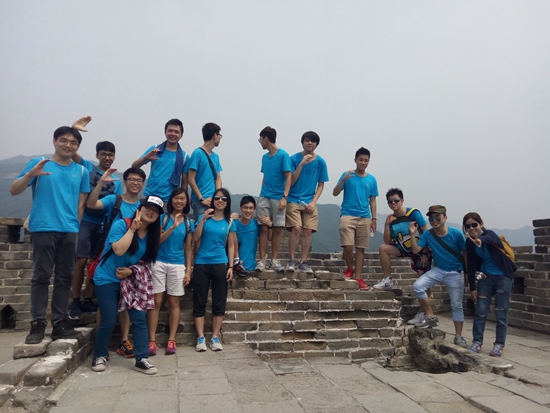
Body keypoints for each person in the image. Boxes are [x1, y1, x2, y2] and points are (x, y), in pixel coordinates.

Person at [10, 126, 90, 344]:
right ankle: (37, 324)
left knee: (65, 277)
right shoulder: (40, 163)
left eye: (73, 142)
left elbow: (81, 202)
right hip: (43, 227)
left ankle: (60, 323)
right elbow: (14, 190)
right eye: (63, 140)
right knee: (41, 276)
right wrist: (30, 175)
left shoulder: (81, 171)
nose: (68, 145)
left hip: (69, 230)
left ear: (78, 146)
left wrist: (75, 224)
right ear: (54, 141)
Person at [91, 196, 163, 374]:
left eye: (156, 211)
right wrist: (132, 229)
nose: (151, 212)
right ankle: (99, 355)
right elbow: (118, 250)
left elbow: (146, 262)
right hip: (107, 277)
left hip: (130, 280)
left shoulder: (153, 235)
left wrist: (131, 271)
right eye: (148, 207)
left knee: (139, 318)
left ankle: (142, 358)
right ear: (140, 208)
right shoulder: (121, 225)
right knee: (109, 319)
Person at [86, 167, 146, 358]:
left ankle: (124, 341)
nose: (135, 183)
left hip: (128, 265)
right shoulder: (115, 200)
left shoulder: (143, 207)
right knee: (106, 311)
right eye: (132, 179)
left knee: (127, 308)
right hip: (110, 258)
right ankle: (100, 346)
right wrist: (101, 183)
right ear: (125, 181)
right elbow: (91, 203)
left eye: (139, 180)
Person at [69, 140, 122, 321]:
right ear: (97, 155)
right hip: (85, 221)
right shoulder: (88, 167)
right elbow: (73, 154)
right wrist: (74, 130)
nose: (107, 157)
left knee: (95, 261)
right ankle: (76, 301)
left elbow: (116, 204)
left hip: (103, 224)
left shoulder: (117, 181)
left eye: (110, 154)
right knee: (81, 260)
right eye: (103, 154)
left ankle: (88, 299)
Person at [409, 205, 468, 348]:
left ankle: (458, 336)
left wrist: (467, 273)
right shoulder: (428, 235)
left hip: (456, 272)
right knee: (418, 286)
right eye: (431, 218)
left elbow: (466, 254)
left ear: (445, 218)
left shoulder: (456, 234)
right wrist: (412, 234)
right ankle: (430, 316)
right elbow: (416, 250)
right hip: (439, 269)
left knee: (456, 305)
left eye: (437, 217)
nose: (434, 220)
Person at [147, 188, 194, 355]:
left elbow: (188, 248)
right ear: (171, 200)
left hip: (177, 264)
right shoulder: (163, 218)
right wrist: (173, 227)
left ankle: (172, 339)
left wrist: (188, 270)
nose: (179, 201)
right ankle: (151, 340)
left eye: (182, 198)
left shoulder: (189, 223)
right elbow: (157, 241)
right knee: (156, 301)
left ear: (187, 202)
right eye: (176, 198)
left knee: (174, 302)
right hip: (159, 262)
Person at [464, 212, 517, 357]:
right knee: (480, 311)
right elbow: (472, 263)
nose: (471, 228)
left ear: (481, 224)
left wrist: (480, 240)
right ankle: (477, 342)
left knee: (501, 312)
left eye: (474, 224)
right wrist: (472, 287)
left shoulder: (490, 235)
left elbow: (491, 239)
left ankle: (499, 345)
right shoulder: (469, 242)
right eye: (468, 226)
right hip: (485, 278)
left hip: (503, 277)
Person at [193, 188, 236, 352]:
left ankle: (215, 337)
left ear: (227, 202)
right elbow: (195, 237)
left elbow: (231, 245)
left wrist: (231, 266)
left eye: (224, 199)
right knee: (199, 301)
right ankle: (200, 337)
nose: (220, 201)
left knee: (219, 301)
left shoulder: (229, 222)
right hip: (201, 263)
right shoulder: (203, 218)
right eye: (217, 198)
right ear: (212, 200)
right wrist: (203, 218)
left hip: (220, 263)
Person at [332, 147, 378, 290]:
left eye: (366, 160)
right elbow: (335, 192)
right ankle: (349, 268)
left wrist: (374, 219)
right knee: (347, 246)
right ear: (355, 160)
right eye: (361, 160)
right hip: (347, 214)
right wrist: (343, 180)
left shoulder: (372, 179)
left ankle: (358, 277)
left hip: (364, 217)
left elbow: (373, 200)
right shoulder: (348, 175)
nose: (363, 163)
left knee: (360, 248)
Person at [285, 131, 329, 274]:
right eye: (307, 140)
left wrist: (314, 201)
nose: (310, 143)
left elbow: (321, 185)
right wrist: (301, 164)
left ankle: (303, 262)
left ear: (317, 144)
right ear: (302, 142)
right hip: (293, 199)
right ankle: (291, 260)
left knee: (308, 230)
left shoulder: (321, 162)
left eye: (313, 141)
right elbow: (291, 181)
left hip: (310, 201)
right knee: (296, 228)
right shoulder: (294, 159)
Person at [374, 188, 430, 291]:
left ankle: (426, 300)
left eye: (396, 200)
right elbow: (387, 242)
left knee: (424, 280)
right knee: (383, 248)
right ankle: (387, 280)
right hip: (403, 248)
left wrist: (425, 253)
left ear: (402, 201)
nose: (393, 203)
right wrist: (387, 225)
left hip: (419, 248)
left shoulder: (414, 213)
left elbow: (426, 233)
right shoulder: (391, 219)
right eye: (390, 201)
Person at [255, 126, 291, 273]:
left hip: (279, 197)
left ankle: (274, 259)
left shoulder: (283, 155)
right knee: (263, 227)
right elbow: (265, 176)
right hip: (264, 196)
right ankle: (262, 260)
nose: (260, 142)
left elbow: (288, 176)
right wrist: (261, 195)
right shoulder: (264, 157)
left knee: (277, 228)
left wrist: (284, 197)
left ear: (266, 139)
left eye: (260, 139)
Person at [132, 119, 189, 203]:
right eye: (170, 131)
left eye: (176, 132)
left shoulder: (185, 157)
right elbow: (134, 166)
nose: (173, 134)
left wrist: (184, 201)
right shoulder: (155, 149)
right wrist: (146, 158)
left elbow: (184, 183)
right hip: (149, 196)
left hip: (169, 200)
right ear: (165, 132)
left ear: (181, 135)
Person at [187, 122, 223, 221]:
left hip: (213, 201)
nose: (220, 138)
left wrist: (217, 197)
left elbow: (218, 179)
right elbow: (191, 179)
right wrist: (201, 198)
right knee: (200, 226)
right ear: (215, 135)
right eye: (219, 135)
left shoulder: (216, 156)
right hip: (200, 201)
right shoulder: (197, 153)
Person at [232, 196, 261, 275]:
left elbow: (270, 237)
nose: (248, 210)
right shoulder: (233, 224)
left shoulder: (256, 225)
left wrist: (269, 223)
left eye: (251, 208)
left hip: (251, 267)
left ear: (254, 210)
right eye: (245, 207)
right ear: (240, 208)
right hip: (235, 267)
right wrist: (229, 219)